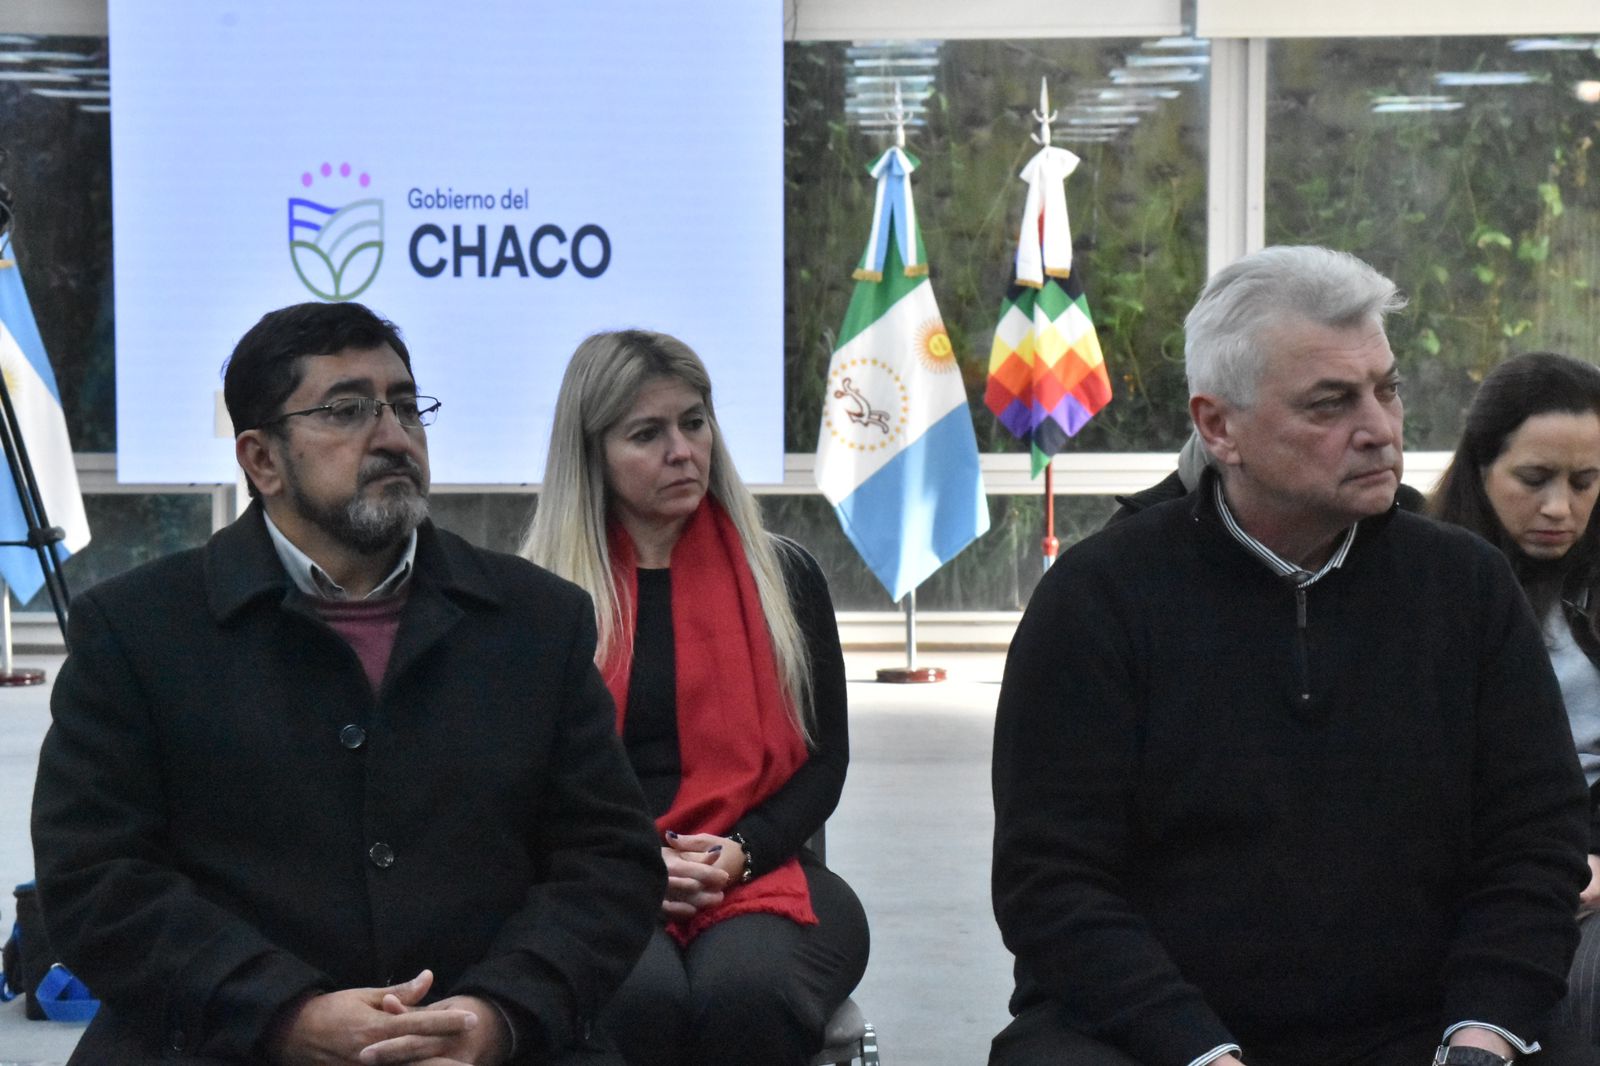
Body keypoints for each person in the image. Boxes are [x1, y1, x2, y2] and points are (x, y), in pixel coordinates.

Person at [990, 245, 1594, 1066]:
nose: (1380, 430)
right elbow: (1052, 883)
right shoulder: (1098, 600)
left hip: (1418, 1029)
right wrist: (1200, 1050)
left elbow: (1533, 843)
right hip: (1151, 1034)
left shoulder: (1466, 589)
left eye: (1387, 389)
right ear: (1219, 426)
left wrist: (1482, 1032)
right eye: (1330, 404)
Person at [30, 302, 665, 1065]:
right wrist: (282, 1013)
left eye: (405, 405)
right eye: (348, 410)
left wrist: (500, 1012)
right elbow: (96, 880)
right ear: (262, 461)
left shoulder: (536, 620)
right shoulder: (137, 631)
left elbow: (610, 862)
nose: (393, 435)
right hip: (223, 1037)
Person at [520, 329, 869, 1066]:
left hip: (761, 869)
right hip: (594, 878)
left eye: (694, 422)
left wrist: (741, 853)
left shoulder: (785, 578)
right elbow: (515, 784)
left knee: (748, 993)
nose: (682, 450)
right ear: (593, 456)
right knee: (635, 998)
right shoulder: (537, 599)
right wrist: (637, 862)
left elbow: (824, 764)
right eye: (647, 434)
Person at [1432, 352, 1600, 1048]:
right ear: (1480, 468)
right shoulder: (1427, 583)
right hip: (1477, 869)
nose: (1560, 507)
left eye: (1586, 482)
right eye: (1534, 480)